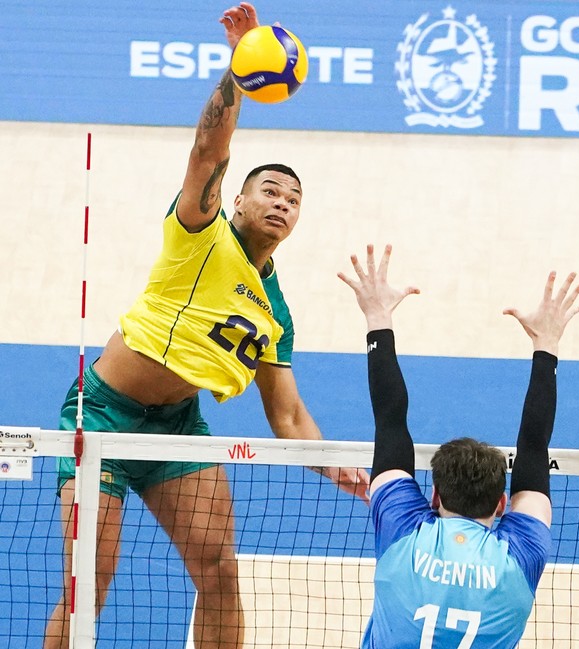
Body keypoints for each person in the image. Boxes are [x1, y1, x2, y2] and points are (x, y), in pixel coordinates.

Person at [44, 5, 369, 648]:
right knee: (92, 580)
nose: (282, 203)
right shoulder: (201, 233)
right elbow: (206, 150)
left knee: (220, 572)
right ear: (239, 200)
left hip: (178, 429)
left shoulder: (275, 313)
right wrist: (238, 69)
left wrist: (333, 464)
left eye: (293, 199)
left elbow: (288, 414)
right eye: (270, 190)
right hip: (104, 414)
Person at [337, 244, 579, 649]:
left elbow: (390, 418)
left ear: (433, 496)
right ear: (502, 504)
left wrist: (377, 316)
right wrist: (547, 342)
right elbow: (536, 448)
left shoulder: (403, 533)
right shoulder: (520, 557)